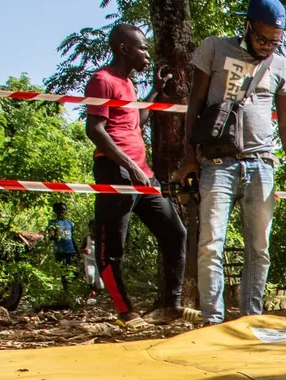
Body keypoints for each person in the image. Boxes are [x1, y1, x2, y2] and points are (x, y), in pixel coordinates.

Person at [179, 0, 286, 325]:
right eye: (262, 39)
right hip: (218, 162)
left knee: (259, 248)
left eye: (274, 41)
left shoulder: (280, 65)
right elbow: (195, 100)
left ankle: (251, 320)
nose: (267, 47)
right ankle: (212, 322)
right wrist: (189, 156)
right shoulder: (215, 48)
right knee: (210, 245)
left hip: (262, 163)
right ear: (247, 27)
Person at [85, 23, 191, 330]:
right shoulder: (101, 81)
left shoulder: (128, 85)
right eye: (142, 47)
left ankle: (170, 306)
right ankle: (126, 314)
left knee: (175, 232)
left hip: (143, 175)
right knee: (111, 247)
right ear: (124, 49)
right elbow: (95, 130)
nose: (146, 53)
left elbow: (134, 123)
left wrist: (155, 91)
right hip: (115, 170)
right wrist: (129, 167)